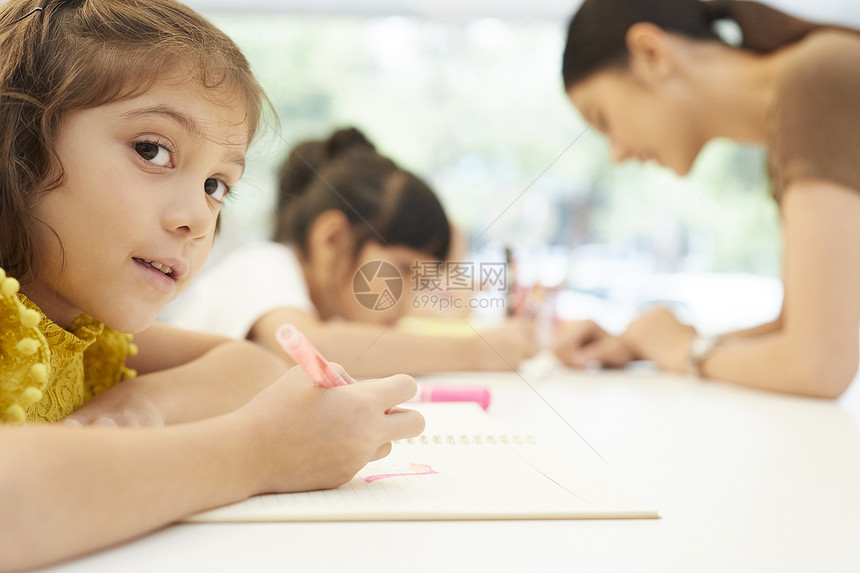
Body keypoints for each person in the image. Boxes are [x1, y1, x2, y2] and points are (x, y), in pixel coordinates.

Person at [0, 1, 422, 569]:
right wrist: (258, 453)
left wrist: (141, 407)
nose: (199, 219)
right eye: (152, 150)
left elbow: (252, 366)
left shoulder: (76, 328)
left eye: (217, 185)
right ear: (18, 143)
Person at [553, 0, 860, 398]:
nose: (617, 154)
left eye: (602, 119)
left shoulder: (813, 79)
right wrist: (646, 344)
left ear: (651, 54)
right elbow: (800, 326)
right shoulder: (793, 111)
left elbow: (817, 365)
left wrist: (683, 350)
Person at [166, 127, 537, 376]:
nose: (408, 296)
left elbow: (444, 312)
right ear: (333, 240)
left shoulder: (334, 312)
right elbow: (312, 350)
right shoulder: (264, 264)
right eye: (404, 270)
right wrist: (476, 353)